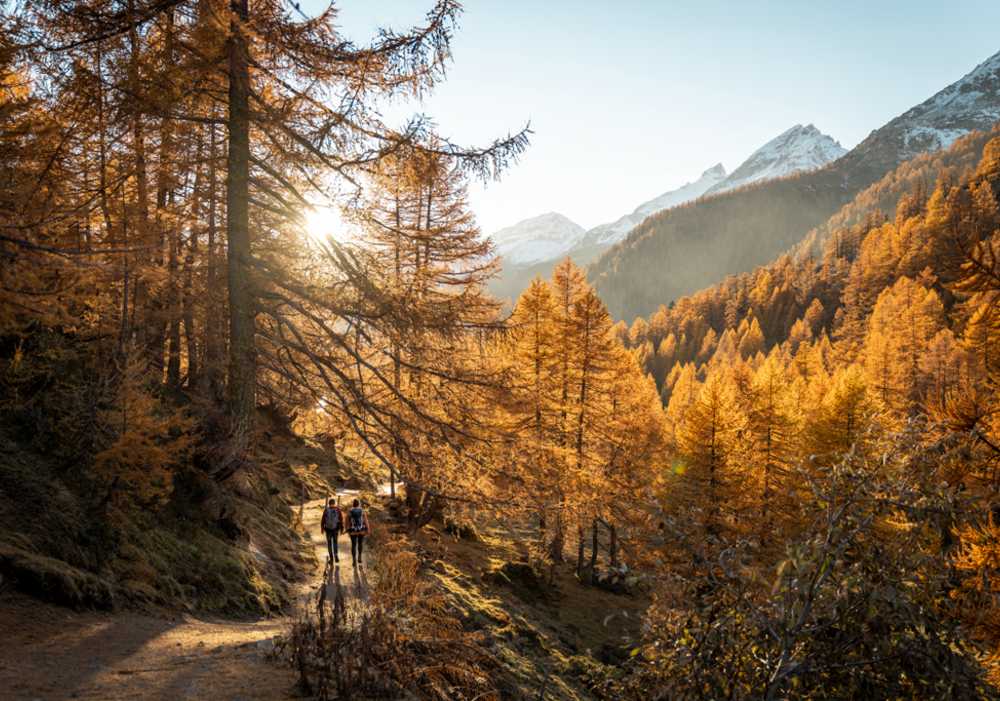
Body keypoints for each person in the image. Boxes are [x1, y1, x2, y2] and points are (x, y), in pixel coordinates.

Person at [346, 498, 371, 567]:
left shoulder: (350, 511)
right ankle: (359, 556)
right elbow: (366, 521)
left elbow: (347, 521)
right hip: (361, 530)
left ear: (353, 504)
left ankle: (354, 560)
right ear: (359, 504)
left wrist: (347, 529)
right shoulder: (362, 511)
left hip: (353, 530)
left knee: (353, 545)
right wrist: (368, 529)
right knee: (360, 543)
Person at [321, 497, 344, 564]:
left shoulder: (326, 510)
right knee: (335, 542)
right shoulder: (338, 510)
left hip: (328, 530)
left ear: (329, 504)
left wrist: (322, 528)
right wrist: (341, 529)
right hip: (335, 529)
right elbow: (341, 520)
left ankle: (331, 559)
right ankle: (336, 555)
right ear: (334, 503)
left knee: (329, 544)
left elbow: (323, 520)